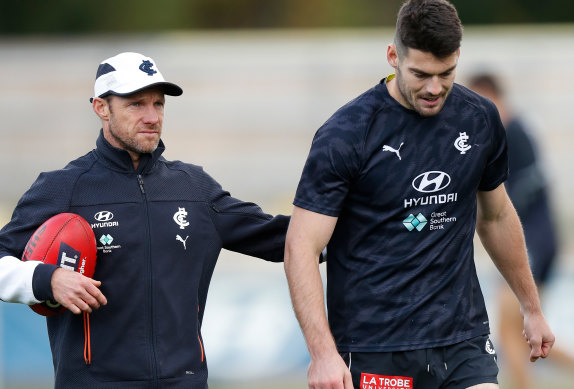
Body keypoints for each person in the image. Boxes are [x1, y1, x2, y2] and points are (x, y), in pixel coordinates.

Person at [283, 1, 555, 388]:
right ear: (393, 56)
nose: (434, 88)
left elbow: (495, 217)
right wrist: (323, 354)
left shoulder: (480, 119)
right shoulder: (346, 134)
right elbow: (300, 246)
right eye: (421, 74)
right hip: (376, 347)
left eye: (446, 73)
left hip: (462, 340)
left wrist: (531, 308)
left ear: (458, 56)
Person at [0, 52, 289, 388]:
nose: (152, 116)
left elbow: (284, 239)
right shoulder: (62, 187)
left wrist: (353, 226)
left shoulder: (194, 188)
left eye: (158, 104)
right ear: (101, 108)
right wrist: (47, 279)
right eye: (136, 104)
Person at [468, 73, 573, 389]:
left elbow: (513, 201)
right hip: (539, 239)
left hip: (533, 242)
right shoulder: (518, 130)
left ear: (491, 96)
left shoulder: (509, 131)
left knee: (511, 332)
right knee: (522, 333)